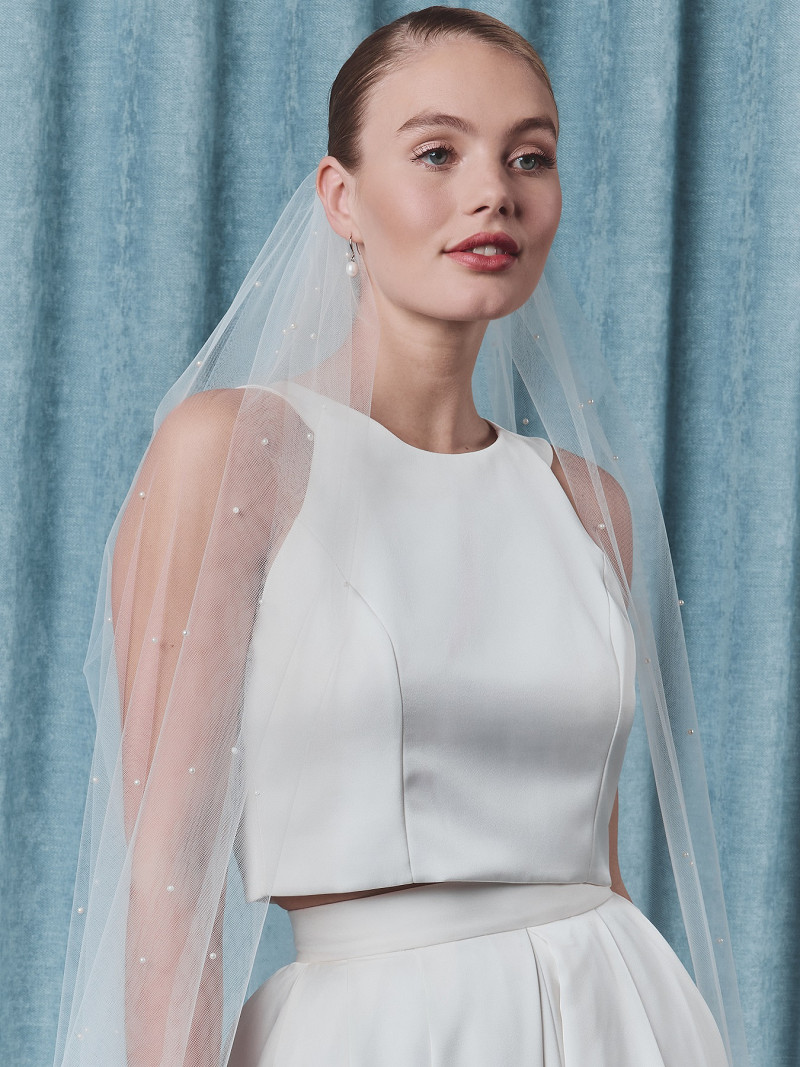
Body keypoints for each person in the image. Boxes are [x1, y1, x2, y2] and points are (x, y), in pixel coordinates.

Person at [54, 8, 748, 1066]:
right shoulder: (238, 455)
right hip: (376, 1032)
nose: (493, 192)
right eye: (437, 152)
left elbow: (596, 862)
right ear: (341, 197)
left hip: (622, 1016)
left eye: (530, 157)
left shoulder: (588, 504)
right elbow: (168, 877)